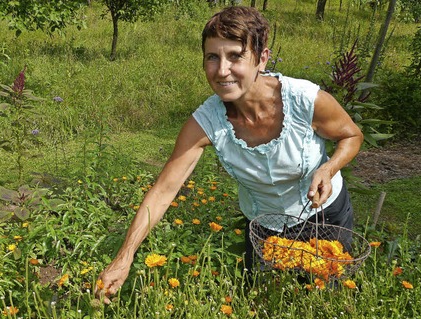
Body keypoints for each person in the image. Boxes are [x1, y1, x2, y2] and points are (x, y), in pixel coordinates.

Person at [95, 6, 363, 303]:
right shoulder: (207, 121)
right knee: (262, 300)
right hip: (263, 227)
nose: (222, 70)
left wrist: (329, 168)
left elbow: (351, 135)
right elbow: (162, 191)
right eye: (212, 57)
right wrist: (124, 257)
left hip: (323, 217)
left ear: (262, 59)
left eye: (235, 56)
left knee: (325, 298)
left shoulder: (304, 101)